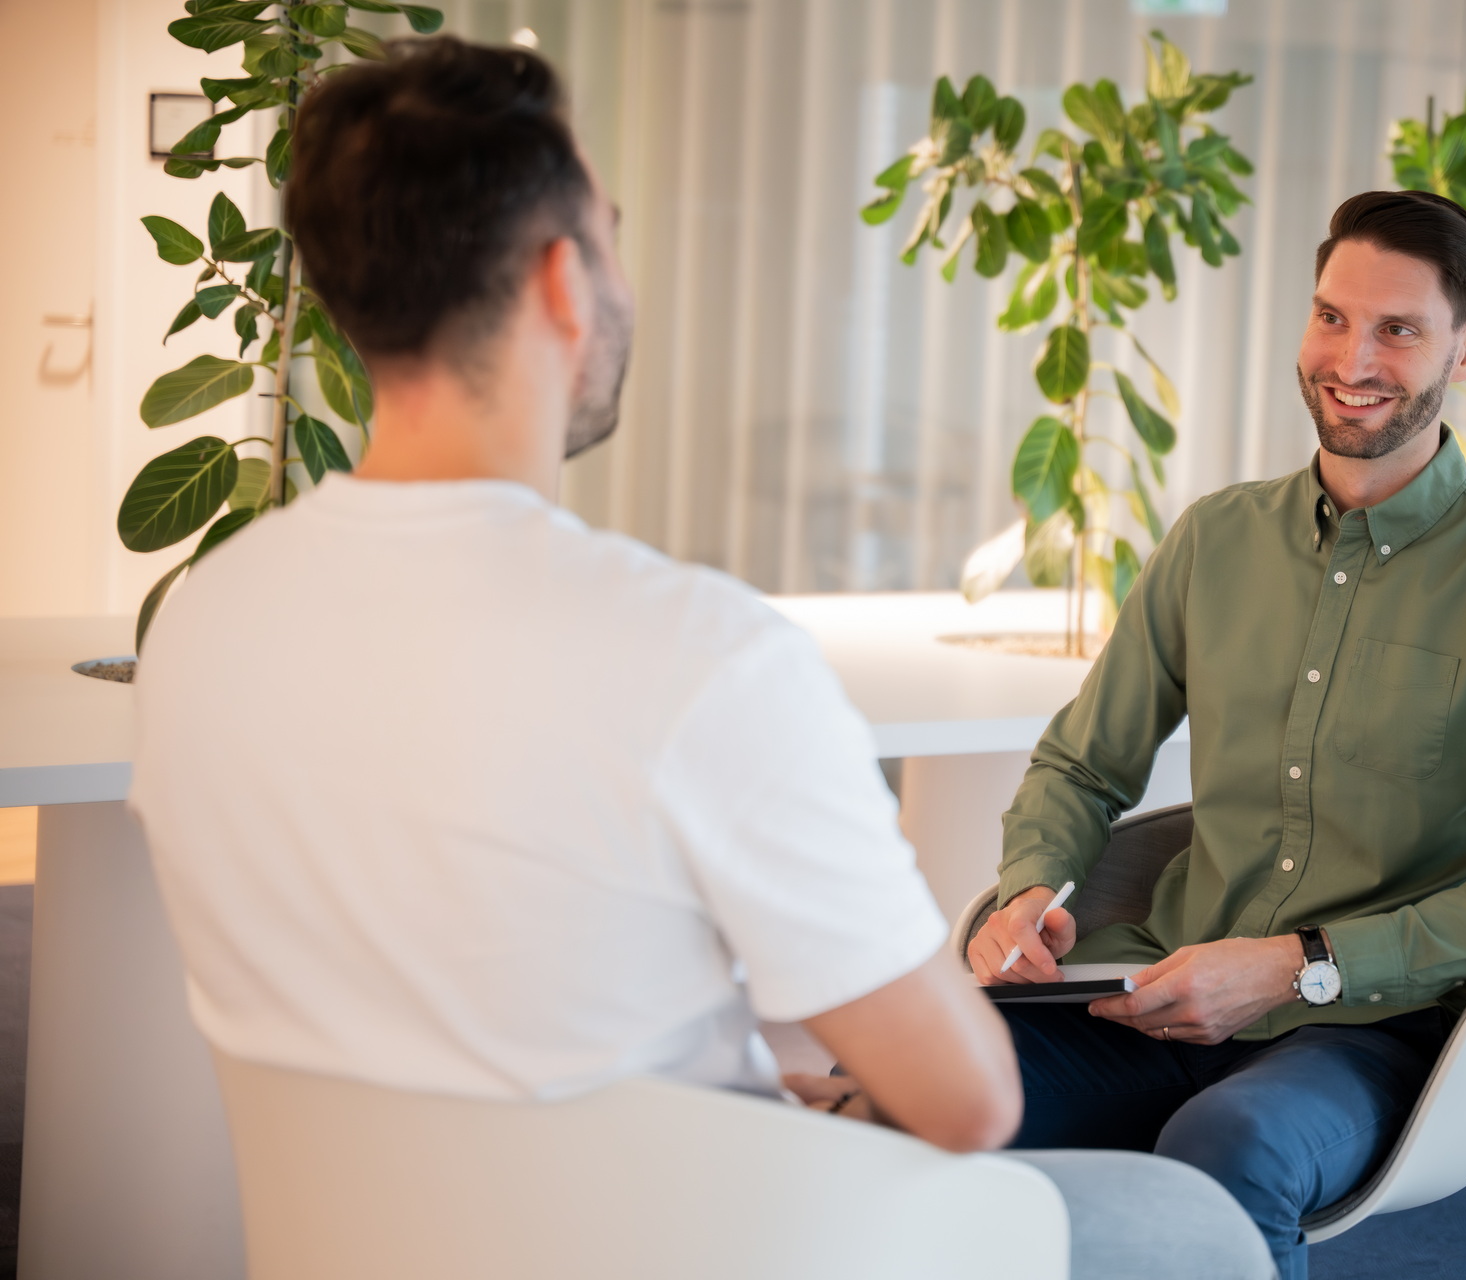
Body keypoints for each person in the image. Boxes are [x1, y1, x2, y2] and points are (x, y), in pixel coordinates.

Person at [130, 37, 1274, 1280]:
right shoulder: (702, 654)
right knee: (1190, 1229)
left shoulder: (205, 621)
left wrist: (730, 1100)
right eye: (612, 235)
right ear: (564, 279)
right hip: (678, 1241)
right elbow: (968, 1099)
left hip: (358, 1237)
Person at [966, 189, 1466, 1278]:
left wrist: (1300, 966)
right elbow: (1083, 762)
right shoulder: (1215, 538)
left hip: (1368, 1031)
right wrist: (1031, 890)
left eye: (1397, 329)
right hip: (1154, 994)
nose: (1351, 358)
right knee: (907, 1083)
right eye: (1331, 317)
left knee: (1228, 1150)